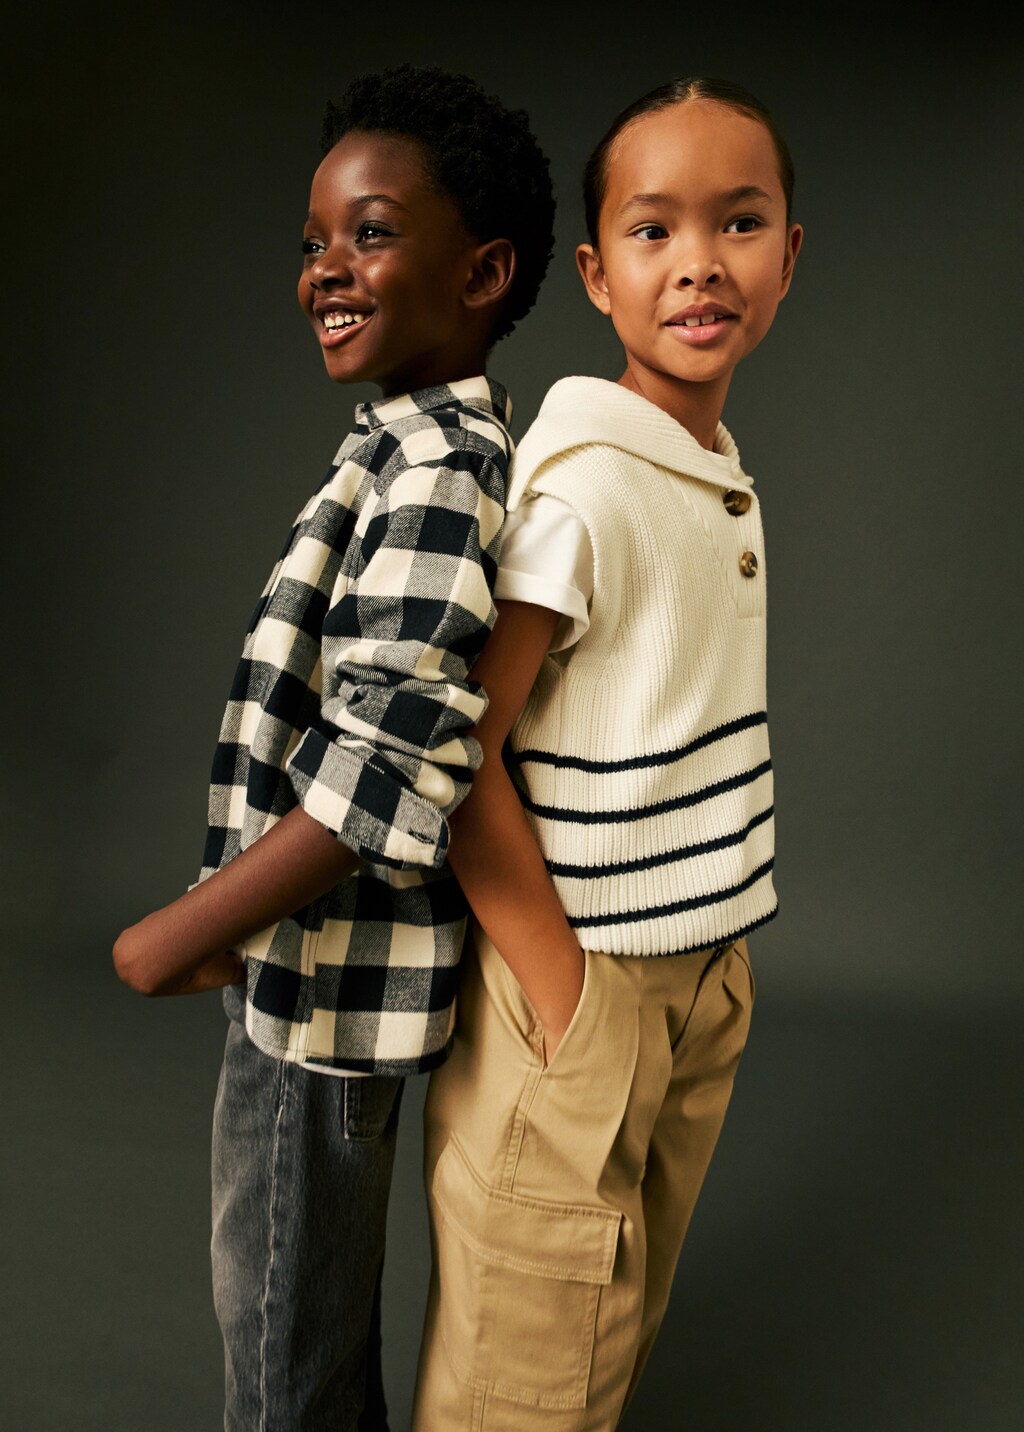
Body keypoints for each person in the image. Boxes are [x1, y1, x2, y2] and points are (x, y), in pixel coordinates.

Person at [112, 64, 555, 1431]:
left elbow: (389, 764)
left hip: (321, 998)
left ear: (483, 274)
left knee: (282, 1358)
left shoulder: (439, 470)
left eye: (370, 232)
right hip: (297, 976)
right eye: (314, 241)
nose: (325, 269)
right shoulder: (395, 449)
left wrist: (183, 930)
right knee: (293, 1334)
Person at [412, 78, 803, 1429]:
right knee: (528, 1368)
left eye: (739, 221)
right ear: (595, 273)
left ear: (790, 253)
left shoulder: (705, 463)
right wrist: (567, 994)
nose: (700, 261)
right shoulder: (582, 487)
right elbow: (456, 751)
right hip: (583, 981)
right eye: (654, 230)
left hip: (699, 972)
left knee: (605, 1337)